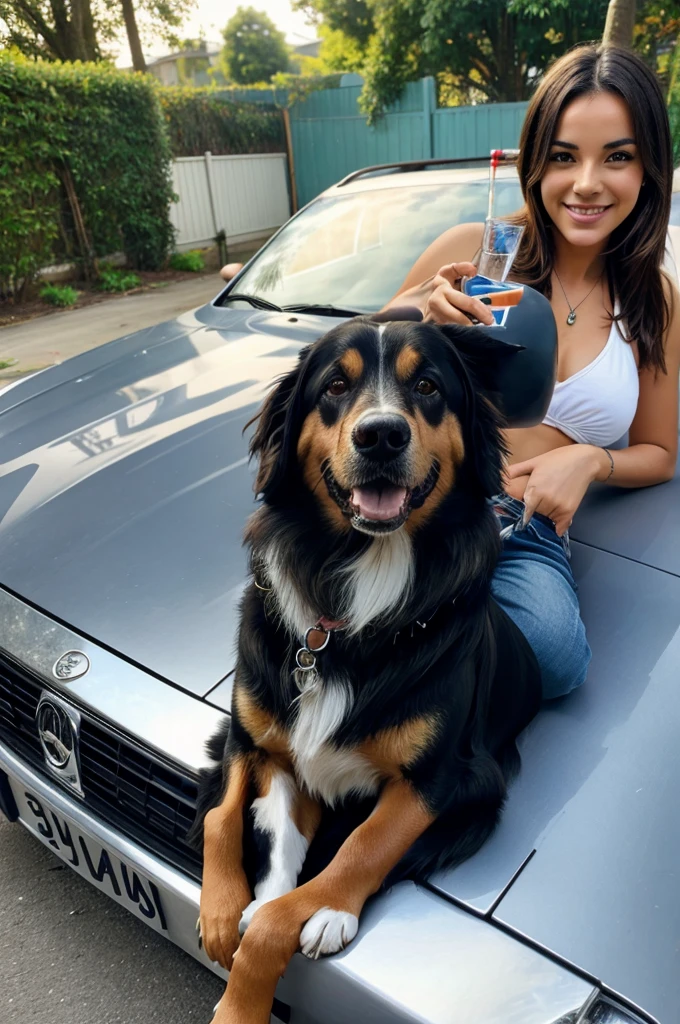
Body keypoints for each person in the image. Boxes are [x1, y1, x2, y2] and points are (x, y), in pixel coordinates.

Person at [386, 44, 680, 699]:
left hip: (527, 527)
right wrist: (419, 315)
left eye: (618, 157)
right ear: (536, 162)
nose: (586, 184)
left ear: (649, 169)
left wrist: (590, 462)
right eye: (564, 156)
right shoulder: (479, 254)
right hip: (420, 498)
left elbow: (659, 454)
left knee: (556, 656)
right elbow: (358, 354)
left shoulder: (654, 300)